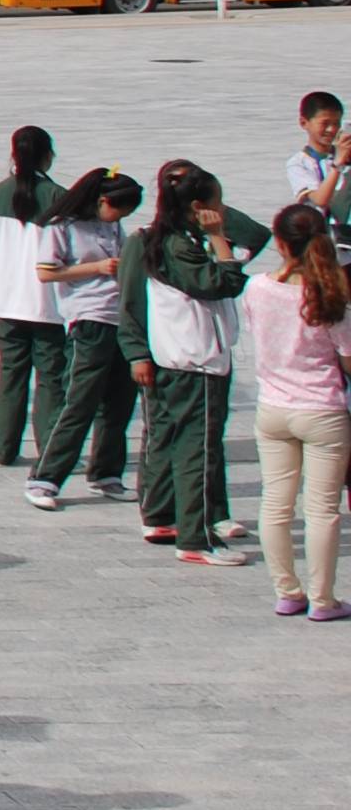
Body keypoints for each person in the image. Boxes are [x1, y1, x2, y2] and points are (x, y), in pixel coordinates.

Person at [122, 161, 260, 563]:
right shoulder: (176, 245)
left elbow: (255, 238)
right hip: (194, 361)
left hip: (182, 356)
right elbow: (224, 282)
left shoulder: (172, 238)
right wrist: (219, 237)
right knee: (197, 449)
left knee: (179, 443)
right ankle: (197, 539)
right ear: (199, 204)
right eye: (217, 202)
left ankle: (171, 518)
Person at [246, 204, 351, 619]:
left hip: (273, 406)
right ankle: (324, 599)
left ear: (279, 242)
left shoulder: (257, 288)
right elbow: (346, 357)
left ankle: (287, 591)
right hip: (322, 409)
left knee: (276, 503)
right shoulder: (329, 294)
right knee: (323, 509)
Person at [26, 168, 143, 512]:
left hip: (120, 318)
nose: (121, 218)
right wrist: (97, 268)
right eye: (119, 210)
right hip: (88, 320)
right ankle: (45, 476)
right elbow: (46, 272)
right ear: (103, 200)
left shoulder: (111, 225)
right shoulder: (62, 226)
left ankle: (106, 473)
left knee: (119, 404)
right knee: (78, 402)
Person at [0, 127, 67, 470]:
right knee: (51, 378)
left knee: (11, 374)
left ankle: (3, 444)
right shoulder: (59, 196)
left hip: (7, 301)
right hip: (48, 303)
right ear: (47, 155)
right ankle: (51, 445)